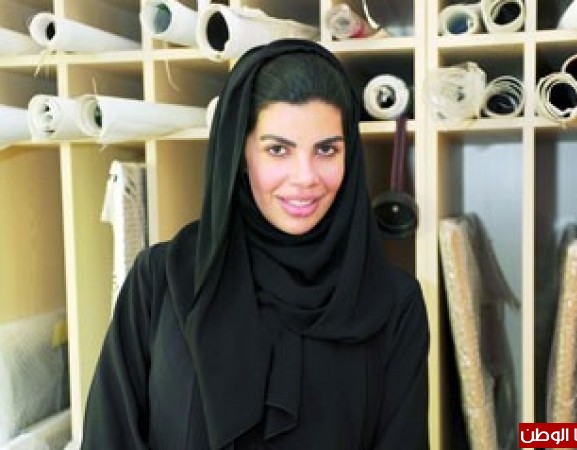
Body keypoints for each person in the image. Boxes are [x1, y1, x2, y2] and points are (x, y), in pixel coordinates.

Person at [80, 38, 429, 449]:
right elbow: (109, 438)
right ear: (240, 153)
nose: (305, 177)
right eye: (278, 150)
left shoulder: (394, 305)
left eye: (326, 150)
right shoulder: (161, 282)